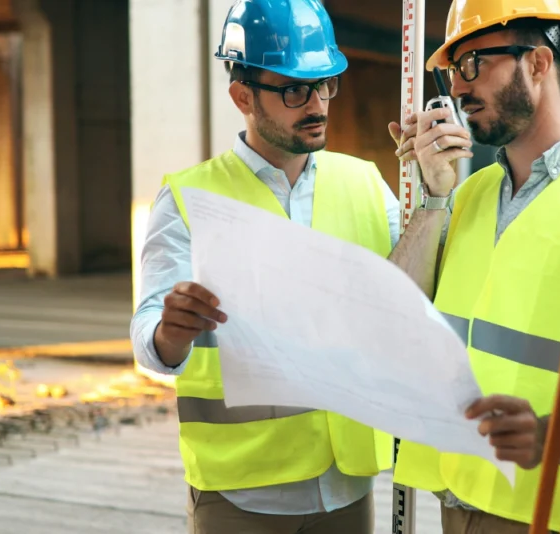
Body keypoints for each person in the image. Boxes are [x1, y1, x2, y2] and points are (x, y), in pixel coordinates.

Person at [385, 0, 560, 532]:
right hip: (456, 498)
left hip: (554, 510)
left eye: (473, 65)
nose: (458, 90)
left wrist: (548, 436)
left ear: (537, 64)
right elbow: (396, 321)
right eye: (451, 72)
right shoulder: (466, 194)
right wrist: (432, 201)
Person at [128, 0, 401, 532]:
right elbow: (147, 340)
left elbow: (408, 302)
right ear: (242, 96)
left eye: (324, 84)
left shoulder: (367, 183)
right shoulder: (188, 197)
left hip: (347, 488)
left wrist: (435, 198)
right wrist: (170, 333)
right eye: (296, 90)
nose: (318, 103)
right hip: (241, 497)